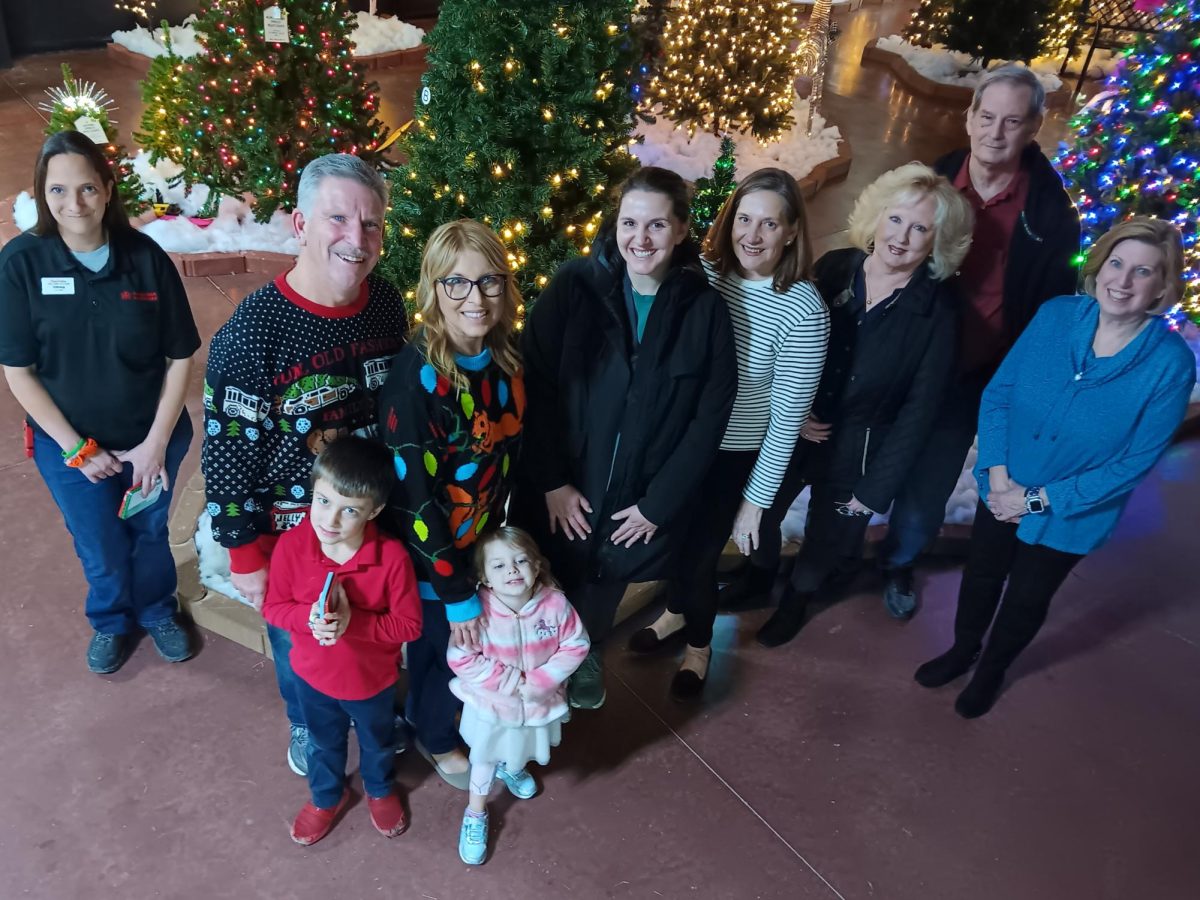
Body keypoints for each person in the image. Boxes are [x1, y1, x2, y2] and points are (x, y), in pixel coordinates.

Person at [914, 218, 1195, 718]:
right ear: (1100, 266)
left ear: (1162, 287)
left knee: (1026, 597)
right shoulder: (1056, 316)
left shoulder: (1170, 365)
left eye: (1143, 272)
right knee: (981, 576)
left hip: (1071, 514)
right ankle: (963, 649)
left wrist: (1036, 500)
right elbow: (999, 393)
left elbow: (1134, 462)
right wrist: (998, 476)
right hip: (1002, 488)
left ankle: (993, 669)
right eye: (1116, 264)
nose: (1123, 281)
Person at [201, 154, 406, 775]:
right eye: (338, 218)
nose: (356, 238)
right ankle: (307, 724)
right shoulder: (253, 332)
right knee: (303, 650)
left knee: (365, 631)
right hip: (290, 538)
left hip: (368, 524)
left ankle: (372, 712)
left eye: (370, 224)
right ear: (300, 224)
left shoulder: (386, 304)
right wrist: (244, 553)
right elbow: (227, 450)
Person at [515, 166, 737, 707]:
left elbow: (710, 417)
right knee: (541, 574)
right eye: (629, 222)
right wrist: (550, 481)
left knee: (604, 580)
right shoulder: (575, 286)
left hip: (638, 499)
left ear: (681, 230)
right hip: (564, 482)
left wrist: (657, 506)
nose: (640, 239)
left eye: (657, 225)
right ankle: (520, 668)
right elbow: (533, 384)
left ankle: (583, 652)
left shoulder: (704, 311)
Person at [877, 65, 1082, 619]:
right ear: (969, 118)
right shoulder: (931, 181)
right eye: (986, 117)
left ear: (1034, 126)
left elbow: (1054, 311)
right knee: (864, 456)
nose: (995, 133)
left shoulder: (1050, 215)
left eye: (1012, 121)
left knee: (930, 482)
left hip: (972, 373)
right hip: (903, 359)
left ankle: (899, 560)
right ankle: (834, 547)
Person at [0, 131, 199, 674]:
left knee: (149, 530)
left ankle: (158, 610)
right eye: (57, 190)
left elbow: (180, 356)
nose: (73, 204)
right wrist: (77, 451)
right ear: (42, 194)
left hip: (150, 435)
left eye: (87, 188)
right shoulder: (20, 264)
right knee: (100, 541)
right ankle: (111, 620)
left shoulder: (146, 258)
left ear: (108, 190)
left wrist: (154, 447)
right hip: (69, 445)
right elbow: (18, 371)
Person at [627, 168, 829, 696]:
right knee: (673, 545)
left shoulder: (804, 310)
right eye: (744, 218)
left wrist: (756, 501)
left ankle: (699, 643)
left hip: (733, 453)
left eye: (769, 223)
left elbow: (787, 421)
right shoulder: (708, 275)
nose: (752, 235)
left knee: (698, 557)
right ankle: (674, 612)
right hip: (681, 441)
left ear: (790, 232)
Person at [756, 162, 975, 648]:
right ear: (876, 217)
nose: (901, 236)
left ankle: (796, 602)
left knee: (825, 536)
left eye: (920, 229)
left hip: (861, 444)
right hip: (802, 426)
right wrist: (791, 409)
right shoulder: (836, 268)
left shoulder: (939, 310)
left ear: (937, 242)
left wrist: (875, 489)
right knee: (765, 508)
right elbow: (787, 341)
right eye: (895, 219)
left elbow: (921, 410)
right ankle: (757, 578)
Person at [379, 219, 525, 791]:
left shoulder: (504, 359)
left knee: (467, 653)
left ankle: (446, 714)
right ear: (433, 288)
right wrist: (456, 590)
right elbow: (414, 500)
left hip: (480, 541)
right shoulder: (413, 383)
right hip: (430, 558)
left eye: (489, 280)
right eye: (456, 283)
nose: (475, 298)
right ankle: (434, 733)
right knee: (441, 651)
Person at [261, 437, 422, 844]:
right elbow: (274, 608)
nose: (330, 520)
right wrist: (307, 618)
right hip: (312, 679)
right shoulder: (292, 545)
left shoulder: (392, 558)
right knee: (322, 743)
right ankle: (324, 796)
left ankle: (380, 789)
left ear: (375, 511)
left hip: (371, 683)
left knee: (378, 742)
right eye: (323, 501)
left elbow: (408, 627)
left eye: (350, 510)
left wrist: (355, 623)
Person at [448, 526, 589, 865]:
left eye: (520, 560)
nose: (511, 570)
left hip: (538, 703)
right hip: (495, 708)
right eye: (498, 565)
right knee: (483, 760)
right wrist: (509, 682)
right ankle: (476, 812)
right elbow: (460, 658)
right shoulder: (477, 612)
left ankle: (511, 768)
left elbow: (576, 644)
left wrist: (541, 681)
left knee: (521, 747)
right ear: (483, 576)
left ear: (537, 565)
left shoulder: (555, 603)